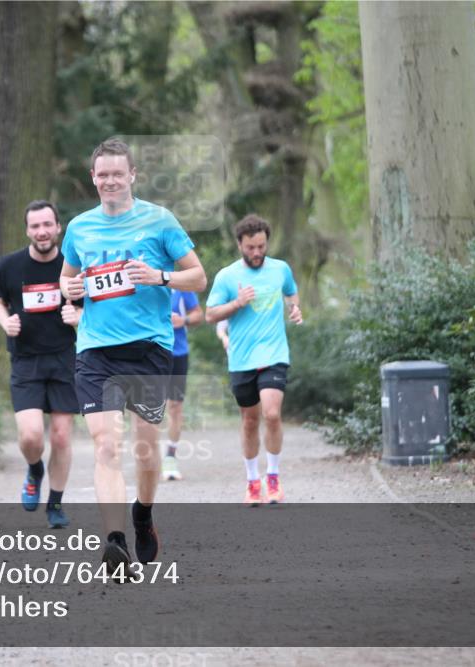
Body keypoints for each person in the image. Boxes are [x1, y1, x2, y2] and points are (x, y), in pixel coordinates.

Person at [59, 137, 207, 574]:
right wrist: (70, 292)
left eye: (117, 174)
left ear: (132, 176)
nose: (109, 181)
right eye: (102, 175)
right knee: (106, 445)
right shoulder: (79, 228)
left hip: (148, 349)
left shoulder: (160, 221)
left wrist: (161, 276)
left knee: (145, 449)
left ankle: (142, 513)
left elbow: (198, 278)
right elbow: (66, 284)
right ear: (93, 178)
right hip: (95, 350)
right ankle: (115, 541)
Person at [0, 200, 82, 529]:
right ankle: (34, 469)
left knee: (60, 437)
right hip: (26, 360)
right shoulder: (9, 266)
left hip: (64, 359)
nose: (42, 232)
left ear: (58, 227)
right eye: (35, 226)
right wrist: (5, 322)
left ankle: (55, 505)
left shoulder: (73, 267)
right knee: (31, 437)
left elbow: (92, 309)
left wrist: (79, 316)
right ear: (27, 230)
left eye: (47, 225)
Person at [205, 214, 302, 506]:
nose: (257, 253)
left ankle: (273, 478)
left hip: (274, 354)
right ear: (239, 245)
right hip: (242, 358)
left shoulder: (280, 269)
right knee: (250, 420)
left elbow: (291, 293)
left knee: (271, 414)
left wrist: (295, 310)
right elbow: (210, 315)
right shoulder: (226, 277)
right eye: (250, 247)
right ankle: (252, 481)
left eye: (261, 246)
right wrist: (237, 303)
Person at [162, 289, 202, 481]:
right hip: (148, 353)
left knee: (175, 406)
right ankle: (148, 458)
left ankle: (170, 458)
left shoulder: (181, 287)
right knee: (144, 408)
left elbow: (198, 315)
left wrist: (183, 321)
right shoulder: (139, 282)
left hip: (177, 354)